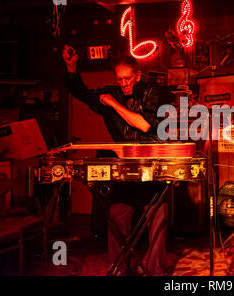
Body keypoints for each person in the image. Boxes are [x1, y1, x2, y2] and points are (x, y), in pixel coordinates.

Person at [62, 45, 171, 276]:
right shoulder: (112, 92)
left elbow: (143, 124)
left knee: (157, 215)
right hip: (123, 167)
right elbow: (80, 91)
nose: (124, 84)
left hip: (151, 163)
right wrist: (72, 67)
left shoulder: (153, 93)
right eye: (119, 79)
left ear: (138, 75)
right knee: (117, 214)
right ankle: (120, 266)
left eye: (128, 79)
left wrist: (112, 104)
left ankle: (156, 270)